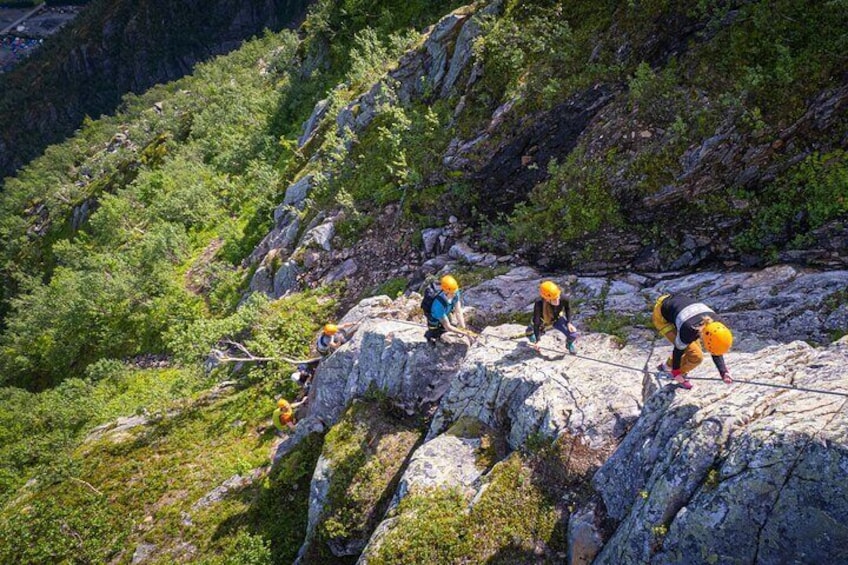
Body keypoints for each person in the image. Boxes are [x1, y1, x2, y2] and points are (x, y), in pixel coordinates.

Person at [652, 294, 734, 389]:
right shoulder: (689, 330)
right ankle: (672, 373)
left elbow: (716, 347)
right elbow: (678, 350)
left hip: (676, 302)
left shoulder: (718, 325)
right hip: (662, 314)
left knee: (692, 350)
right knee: (696, 356)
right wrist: (676, 372)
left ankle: (666, 366)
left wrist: (723, 372)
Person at [526, 280, 578, 355]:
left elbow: (567, 309)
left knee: (573, 334)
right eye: (554, 299)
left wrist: (569, 322)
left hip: (556, 319)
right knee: (533, 329)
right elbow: (536, 323)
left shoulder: (563, 298)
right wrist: (538, 340)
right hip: (542, 321)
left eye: (557, 297)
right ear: (547, 299)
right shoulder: (539, 304)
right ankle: (529, 333)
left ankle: (569, 344)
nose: (557, 301)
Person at [424, 274, 469, 346]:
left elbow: (458, 312)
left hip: (445, 311)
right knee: (434, 331)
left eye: (455, 292)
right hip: (434, 317)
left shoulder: (454, 291)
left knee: (448, 324)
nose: (454, 295)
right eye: (452, 293)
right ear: (445, 291)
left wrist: (463, 328)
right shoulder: (437, 305)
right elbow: (447, 327)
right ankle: (429, 337)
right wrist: (464, 333)